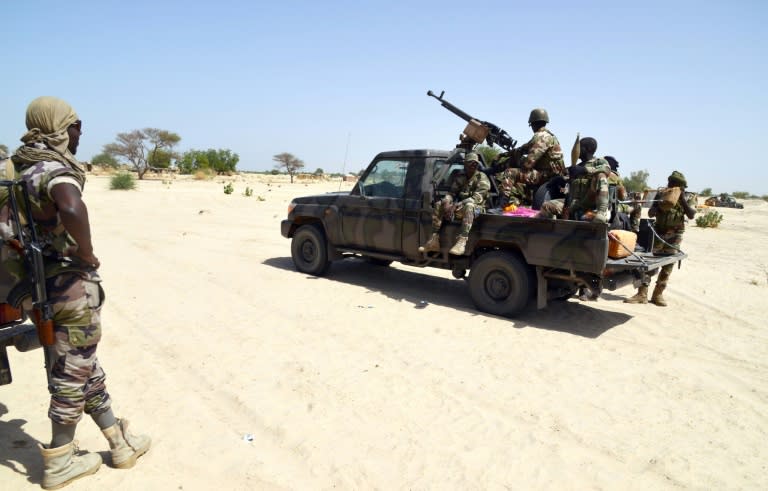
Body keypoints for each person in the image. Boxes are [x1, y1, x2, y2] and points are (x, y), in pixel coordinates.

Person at [8, 96, 150, 489]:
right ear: (56, 126)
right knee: (72, 374)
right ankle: (59, 460)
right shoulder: (51, 168)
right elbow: (70, 206)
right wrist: (87, 253)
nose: (79, 131)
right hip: (68, 285)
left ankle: (118, 442)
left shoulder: (17, 167)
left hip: (34, 286)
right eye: (74, 124)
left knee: (82, 364)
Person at [624, 170, 696, 306]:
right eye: (669, 182)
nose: (669, 185)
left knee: (668, 265)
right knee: (649, 263)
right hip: (658, 232)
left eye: (673, 183)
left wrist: (681, 199)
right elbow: (651, 213)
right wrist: (659, 205)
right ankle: (642, 294)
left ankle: (658, 295)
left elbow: (691, 215)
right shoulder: (661, 194)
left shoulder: (689, 197)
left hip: (675, 235)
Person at [420, 152, 490, 255]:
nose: (473, 165)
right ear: (465, 164)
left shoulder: (482, 177)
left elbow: (477, 198)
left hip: (478, 208)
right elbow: (452, 193)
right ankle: (434, 241)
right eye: (471, 163)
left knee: (469, 206)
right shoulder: (461, 176)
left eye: (475, 163)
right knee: (440, 203)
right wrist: (447, 201)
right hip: (462, 207)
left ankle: (462, 241)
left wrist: (456, 205)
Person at [496, 108, 566, 207]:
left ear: (533, 124)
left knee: (510, 172)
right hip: (553, 176)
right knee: (520, 173)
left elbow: (528, 164)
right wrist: (505, 154)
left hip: (546, 176)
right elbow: (522, 149)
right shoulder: (551, 137)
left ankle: (501, 205)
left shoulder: (540, 137)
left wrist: (515, 161)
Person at [564, 137, 611, 223]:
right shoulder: (577, 166)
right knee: (547, 206)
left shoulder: (599, 162)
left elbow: (606, 170)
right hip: (574, 204)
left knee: (600, 175)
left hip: (590, 203)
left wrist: (584, 170)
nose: (577, 150)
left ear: (587, 149)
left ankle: (602, 211)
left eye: (580, 147)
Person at [604, 155, 641, 232]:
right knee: (637, 206)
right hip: (611, 208)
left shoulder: (597, 174)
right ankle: (634, 228)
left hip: (596, 205)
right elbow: (623, 197)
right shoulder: (615, 177)